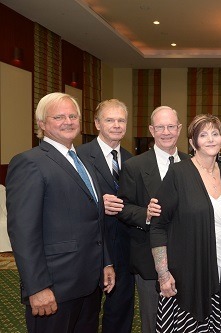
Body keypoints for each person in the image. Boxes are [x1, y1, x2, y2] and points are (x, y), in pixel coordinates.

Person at [6, 92, 115, 332]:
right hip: (54, 289)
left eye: (72, 115)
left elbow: (95, 219)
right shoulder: (29, 163)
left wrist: (106, 262)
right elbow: (23, 232)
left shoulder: (83, 161)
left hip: (89, 284)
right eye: (59, 117)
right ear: (42, 124)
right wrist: (37, 288)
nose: (68, 121)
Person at [150, 114, 221, 332]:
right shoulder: (178, 173)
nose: (210, 139)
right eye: (203, 135)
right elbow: (158, 226)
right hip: (187, 278)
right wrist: (163, 274)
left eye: (215, 134)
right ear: (192, 142)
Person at [117, 106, 190, 333]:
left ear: (179, 129)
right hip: (149, 261)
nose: (166, 132)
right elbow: (123, 207)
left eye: (171, 126)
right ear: (151, 129)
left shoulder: (192, 164)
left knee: (187, 320)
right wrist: (145, 214)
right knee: (153, 322)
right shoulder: (134, 166)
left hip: (188, 259)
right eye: (160, 127)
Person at [77, 99, 134, 333]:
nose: (117, 125)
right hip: (90, 246)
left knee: (120, 311)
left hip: (123, 246)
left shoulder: (131, 160)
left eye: (121, 120)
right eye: (110, 120)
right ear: (97, 123)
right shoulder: (78, 156)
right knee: (85, 313)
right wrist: (99, 204)